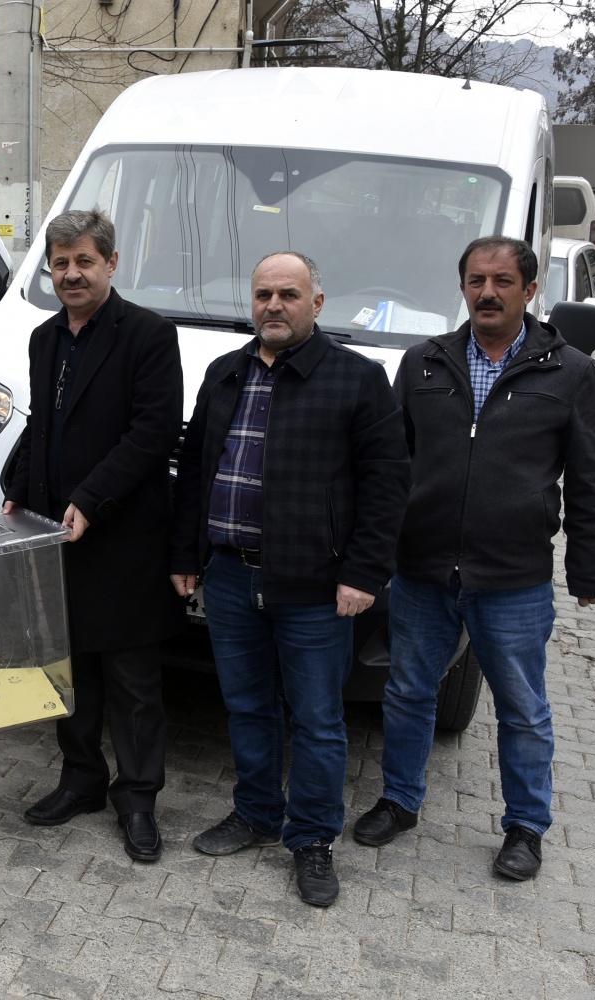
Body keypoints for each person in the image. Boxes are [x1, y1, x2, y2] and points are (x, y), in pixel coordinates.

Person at [354, 236, 595, 881]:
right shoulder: (422, 363)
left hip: (513, 578)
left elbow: (589, 478)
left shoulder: (570, 371)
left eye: (502, 281)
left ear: (530, 290)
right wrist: (373, 554)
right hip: (423, 571)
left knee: (522, 708)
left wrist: (590, 568)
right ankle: (399, 800)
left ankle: (525, 826)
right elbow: (389, 468)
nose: (487, 293)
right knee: (408, 692)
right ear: (463, 287)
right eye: (476, 281)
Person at [171, 251, 409, 907]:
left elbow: (388, 487)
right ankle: (256, 813)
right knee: (248, 706)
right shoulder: (225, 372)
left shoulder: (357, 380)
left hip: (315, 587)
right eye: (263, 294)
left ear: (317, 304)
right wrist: (186, 554)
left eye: (288, 294)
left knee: (318, 721)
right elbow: (196, 473)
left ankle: (311, 838)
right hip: (229, 577)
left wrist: (363, 573)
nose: (273, 305)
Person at [2, 209, 183, 863]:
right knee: (68, 670)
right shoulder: (45, 337)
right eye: (61, 263)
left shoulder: (149, 335)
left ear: (111, 263)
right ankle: (81, 780)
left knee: (132, 682)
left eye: (84, 261)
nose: (71, 274)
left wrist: (89, 498)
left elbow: (154, 432)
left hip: (123, 538)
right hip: (57, 536)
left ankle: (137, 799)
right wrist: (18, 485)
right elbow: (42, 423)